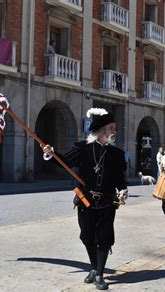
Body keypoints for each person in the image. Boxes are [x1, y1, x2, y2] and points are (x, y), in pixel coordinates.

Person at [42, 108, 128, 290]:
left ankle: (99, 273)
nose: (114, 131)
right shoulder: (83, 148)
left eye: (114, 128)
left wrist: (122, 190)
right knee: (87, 237)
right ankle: (94, 267)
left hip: (106, 202)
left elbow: (120, 179)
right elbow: (64, 162)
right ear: (102, 130)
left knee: (104, 237)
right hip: (85, 201)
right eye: (111, 128)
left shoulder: (117, 154)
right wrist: (51, 153)